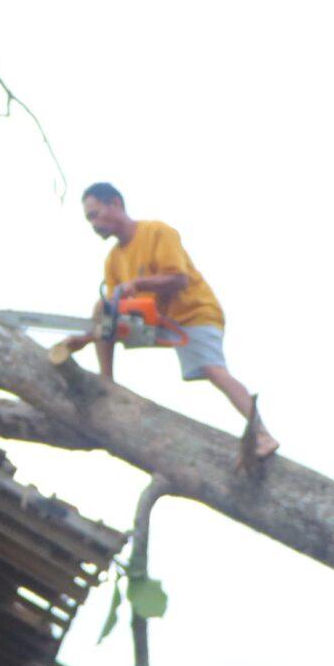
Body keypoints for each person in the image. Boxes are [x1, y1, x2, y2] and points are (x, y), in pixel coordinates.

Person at [52, 181, 278, 460]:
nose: (94, 224)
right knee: (103, 310)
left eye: (95, 214)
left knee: (213, 369)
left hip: (192, 314)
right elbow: (112, 314)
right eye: (89, 219)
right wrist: (86, 338)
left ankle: (263, 433)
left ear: (115, 204)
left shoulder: (157, 232)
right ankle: (106, 382)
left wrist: (138, 283)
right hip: (156, 320)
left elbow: (178, 279)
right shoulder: (113, 260)